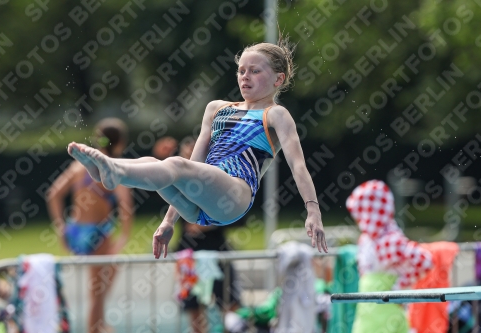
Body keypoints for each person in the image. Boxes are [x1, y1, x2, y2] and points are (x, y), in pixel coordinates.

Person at [65, 36, 328, 259]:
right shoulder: (216, 108)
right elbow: (195, 164)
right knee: (157, 164)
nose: (245, 77)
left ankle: (114, 171)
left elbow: (298, 165)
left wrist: (313, 211)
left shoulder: (276, 114)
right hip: (200, 207)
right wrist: (168, 222)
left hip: (234, 194)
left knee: (175, 164)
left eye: (255, 71)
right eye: (241, 70)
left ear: (278, 79)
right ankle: (109, 171)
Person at [46, 117, 134, 333]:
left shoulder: (78, 166)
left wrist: (61, 228)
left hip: (76, 230)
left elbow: (53, 195)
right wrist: (122, 237)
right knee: (98, 291)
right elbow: (126, 207)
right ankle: (95, 328)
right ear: (120, 143)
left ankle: (101, 324)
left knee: (105, 277)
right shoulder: (113, 167)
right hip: (97, 233)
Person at [153, 136, 244, 333]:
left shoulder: (218, 176)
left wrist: (208, 224)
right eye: (186, 155)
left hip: (216, 249)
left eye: (194, 154)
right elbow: (159, 178)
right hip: (189, 252)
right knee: (193, 305)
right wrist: (160, 157)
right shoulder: (180, 179)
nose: (190, 160)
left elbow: (237, 213)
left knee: (230, 303)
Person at [346, 180, 433, 333]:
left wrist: (399, 288)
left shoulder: (388, 240)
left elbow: (425, 261)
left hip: (385, 315)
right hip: (368, 314)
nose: (357, 219)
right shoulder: (368, 240)